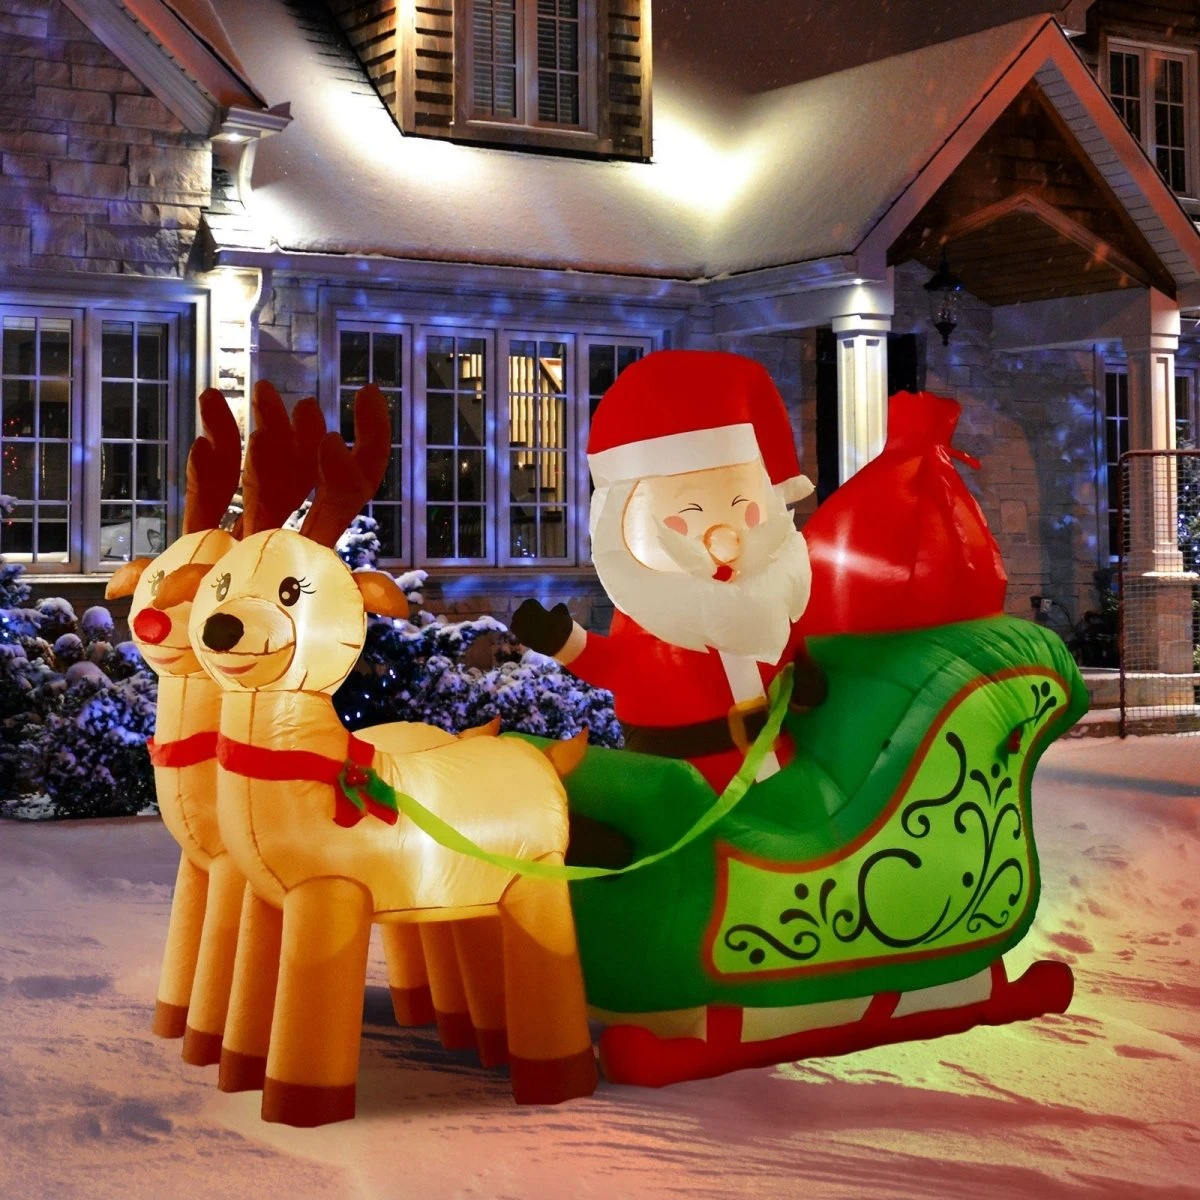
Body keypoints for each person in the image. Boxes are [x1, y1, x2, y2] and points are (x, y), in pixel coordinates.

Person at [512, 349, 826, 795]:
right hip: (670, 775)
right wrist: (562, 640)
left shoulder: (768, 596)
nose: (723, 536)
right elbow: (615, 665)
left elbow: (785, 643)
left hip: (768, 766)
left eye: (741, 505)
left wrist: (803, 673)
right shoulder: (650, 614)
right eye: (691, 512)